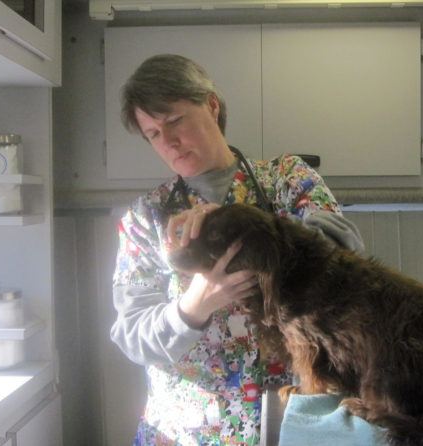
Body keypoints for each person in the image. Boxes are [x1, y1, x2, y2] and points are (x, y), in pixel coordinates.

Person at [110, 53, 364, 446]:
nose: (169, 142)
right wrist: (194, 305)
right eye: (154, 134)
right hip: (185, 433)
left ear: (211, 105)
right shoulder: (146, 219)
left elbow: (344, 255)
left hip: (287, 422)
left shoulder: (287, 179)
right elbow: (132, 336)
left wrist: (240, 224)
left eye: (174, 120)